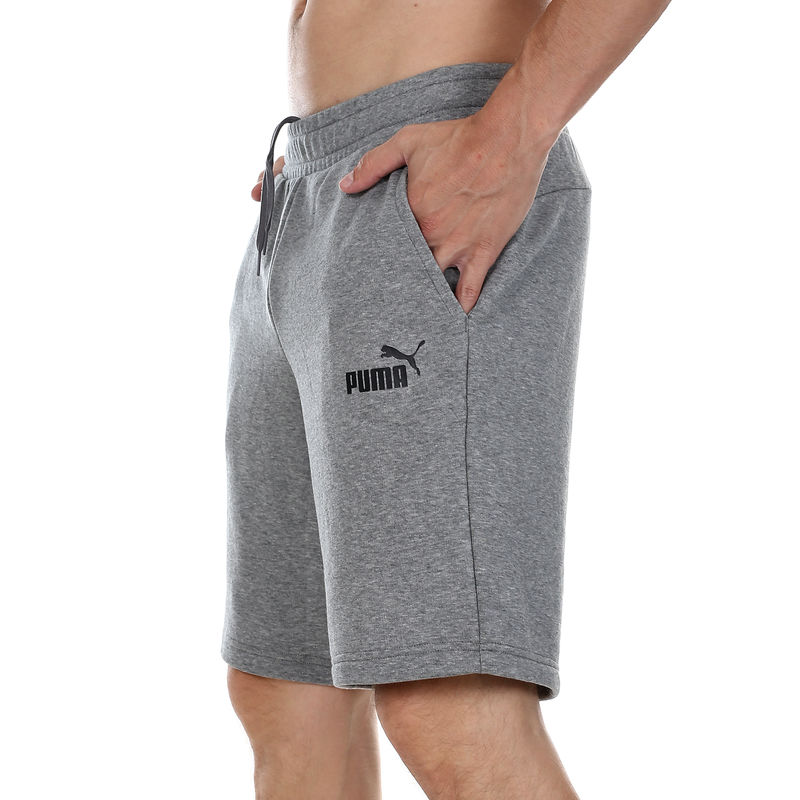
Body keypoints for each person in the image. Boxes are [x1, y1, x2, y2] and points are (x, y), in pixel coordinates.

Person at [222, 0, 670, 797]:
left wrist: (512, 133)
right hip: (307, 189)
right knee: (287, 692)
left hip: (433, 175)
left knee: (451, 710)